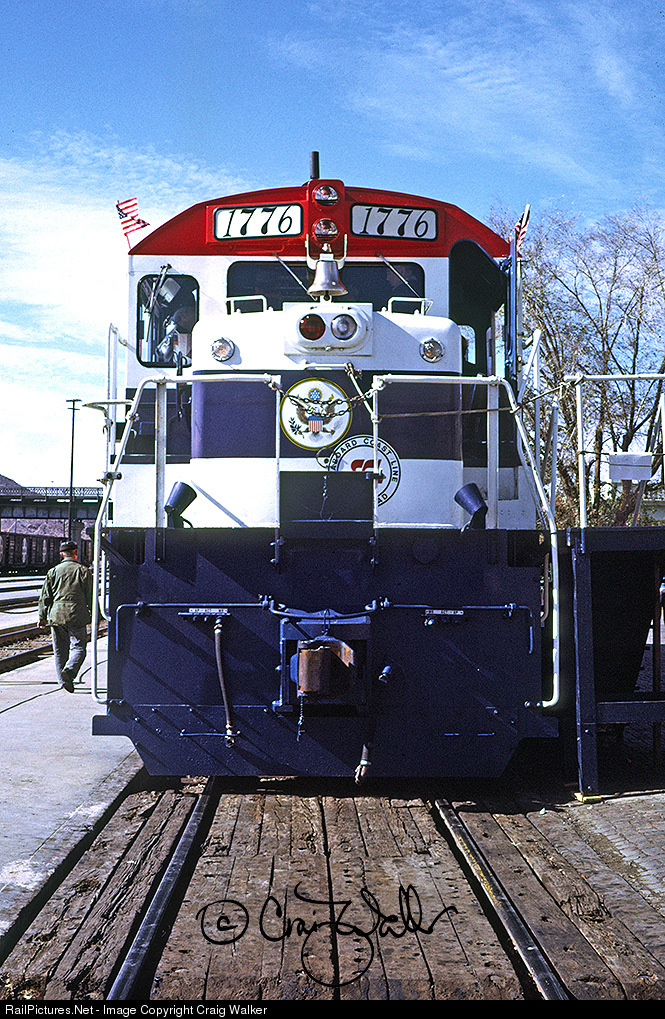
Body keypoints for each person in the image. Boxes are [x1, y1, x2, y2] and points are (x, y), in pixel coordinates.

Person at [38, 540, 93, 693]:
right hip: (77, 615)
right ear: (76, 552)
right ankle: (69, 671)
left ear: (61, 554)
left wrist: (42, 616)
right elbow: (91, 596)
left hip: (56, 616)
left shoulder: (53, 571)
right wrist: (95, 614)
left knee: (60, 651)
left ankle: (63, 681)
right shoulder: (83, 571)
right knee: (79, 648)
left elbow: (45, 597)